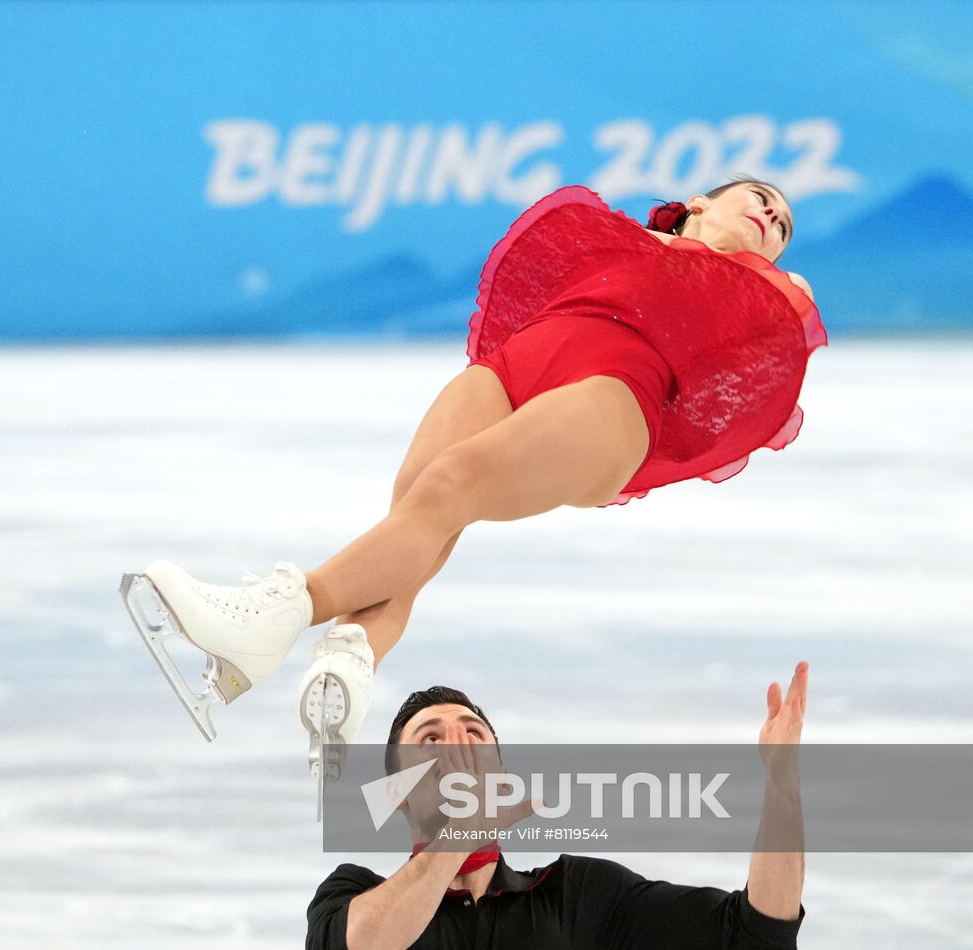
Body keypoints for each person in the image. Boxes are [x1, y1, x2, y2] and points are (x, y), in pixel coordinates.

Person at [133, 180, 826, 777]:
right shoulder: (616, 235)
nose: (773, 217)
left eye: (784, 226)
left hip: (614, 397)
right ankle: (350, 662)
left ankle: (274, 616)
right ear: (701, 201)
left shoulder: (767, 292)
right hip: (521, 361)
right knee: (416, 506)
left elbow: (761, 361)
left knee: (450, 486)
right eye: (760, 198)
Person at [306, 666, 809, 949]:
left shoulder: (578, 894)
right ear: (398, 791)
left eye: (471, 736)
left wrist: (781, 786)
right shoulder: (351, 894)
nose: (455, 749)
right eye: (431, 740)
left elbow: (755, 934)